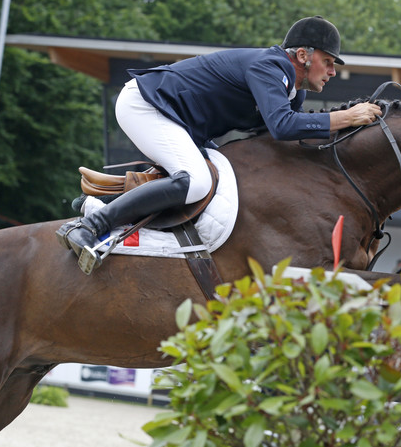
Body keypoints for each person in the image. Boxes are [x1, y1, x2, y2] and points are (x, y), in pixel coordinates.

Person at [56, 16, 383, 272]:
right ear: (302, 55)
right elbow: (283, 127)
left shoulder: (292, 92)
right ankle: (90, 225)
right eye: (328, 62)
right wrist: (346, 117)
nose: (332, 71)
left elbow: (278, 140)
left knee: (224, 178)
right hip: (147, 104)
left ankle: (107, 204)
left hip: (178, 118)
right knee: (196, 181)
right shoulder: (270, 67)